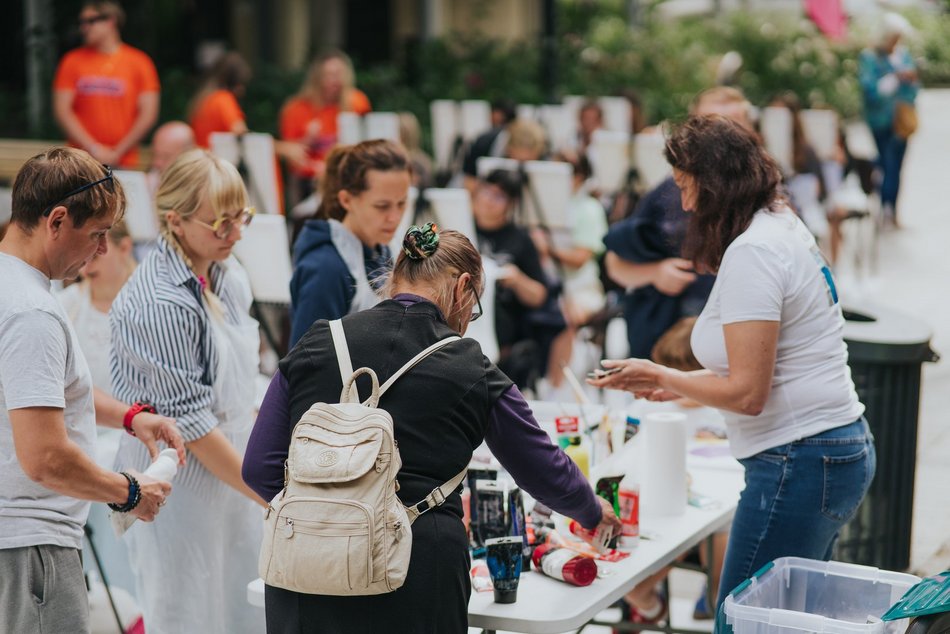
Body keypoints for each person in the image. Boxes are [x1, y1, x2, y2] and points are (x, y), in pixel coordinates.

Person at [243, 224, 621, 633]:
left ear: (394, 278)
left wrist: (331, 517)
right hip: (415, 570)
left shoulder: (318, 341)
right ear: (462, 288)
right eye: (474, 306)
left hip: (306, 570)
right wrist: (590, 508)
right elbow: (541, 465)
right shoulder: (471, 366)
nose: (468, 321)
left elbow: (260, 467)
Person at [590, 115, 875, 614]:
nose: (683, 204)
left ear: (714, 184)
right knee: (786, 621)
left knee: (742, 620)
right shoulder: (779, 225)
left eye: (686, 187)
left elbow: (748, 392)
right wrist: (674, 389)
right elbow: (763, 371)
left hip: (800, 457)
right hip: (825, 450)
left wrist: (664, 374)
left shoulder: (756, 252)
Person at [0, 147, 177, 632]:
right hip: (29, 548)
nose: (102, 250)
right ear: (56, 220)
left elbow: (37, 392)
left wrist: (128, 415)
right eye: (97, 234)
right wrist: (128, 491)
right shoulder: (30, 313)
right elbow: (44, 458)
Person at [110, 149, 267, 634]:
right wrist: (270, 493)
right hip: (183, 483)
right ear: (175, 221)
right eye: (221, 223)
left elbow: (245, 377)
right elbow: (193, 426)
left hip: (236, 466)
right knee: (190, 613)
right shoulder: (160, 299)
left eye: (242, 217)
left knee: (245, 608)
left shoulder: (228, 271)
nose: (235, 234)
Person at [604, 87, 753, 359]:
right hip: (671, 343)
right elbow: (614, 261)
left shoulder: (770, 197)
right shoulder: (667, 194)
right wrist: (655, 273)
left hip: (736, 345)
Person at [57, 220, 140, 594]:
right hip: (84, 434)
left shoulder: (144, 302)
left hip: (134, 431)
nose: (88, 267)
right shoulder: (68, 305)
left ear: (124, 249)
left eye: (99, 255)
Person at [289, 139, 411, 346]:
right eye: (382, 206)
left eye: (402, 203)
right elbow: (304, 364)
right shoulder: (325, 268)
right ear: (346, 200)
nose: (395, 217)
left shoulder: (382, 251)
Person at [53, 1, 160, 168]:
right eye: (81, 22)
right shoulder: (72, 61)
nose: (84, 27)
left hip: (124, 159)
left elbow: (148, 113)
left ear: (111, 21)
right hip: (80, 159)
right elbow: (63, 110)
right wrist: (94, 148)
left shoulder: (139, 62)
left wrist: (118, 151)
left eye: (90, 21)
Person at [472, 169, 551, 390]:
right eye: (486, 192)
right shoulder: (459, 226)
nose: (489, 201)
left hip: (504, 328)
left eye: (499, 197)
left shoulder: (520, 239)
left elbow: (539, 295)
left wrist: (517, 279)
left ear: (511, 204)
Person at [279, 50, 373, 198]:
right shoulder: (296, 108)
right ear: (317, 78)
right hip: (309, 180)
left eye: (338, 74)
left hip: (348, 175)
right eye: (329, 75)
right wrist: (307, 139)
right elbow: (292, 154)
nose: (334, 80)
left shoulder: (357, 102)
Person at [858, 12, 919, 227]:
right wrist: (895, 78)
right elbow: (870, 92)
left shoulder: (903, 55)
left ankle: (891, 209)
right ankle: (885, 208)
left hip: (901, 120)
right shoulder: (870, 57)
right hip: (881, 121)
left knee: (897, 166)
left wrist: (909, 80)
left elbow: (913, 90)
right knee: (888, 164)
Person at [146, 121, 196, 195]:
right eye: (155, 154)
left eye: (166, 157)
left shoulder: (198, 186)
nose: (157, 162)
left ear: (187, 155)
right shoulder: (154, 175)